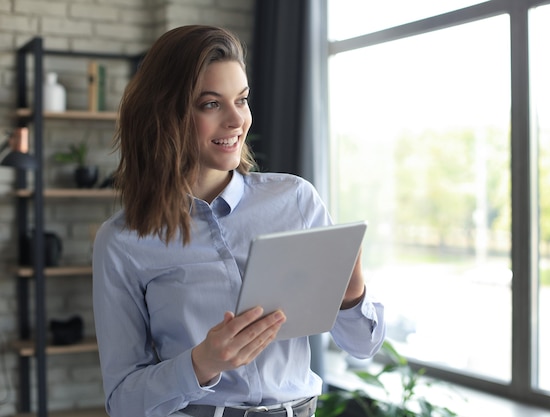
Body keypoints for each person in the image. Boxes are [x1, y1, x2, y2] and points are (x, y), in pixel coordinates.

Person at [92, 25, 385, 417]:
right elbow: (122, 401)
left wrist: (351, 295)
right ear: (166, 113)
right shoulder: (122, 242)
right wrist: (201, 363)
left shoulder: (295, 200)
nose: (236, 121)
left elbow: (363, 346)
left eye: (242, 100)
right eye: (211, 104)